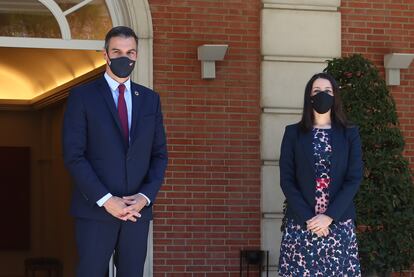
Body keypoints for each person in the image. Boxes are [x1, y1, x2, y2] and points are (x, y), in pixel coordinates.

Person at [62, 26, 168, 277]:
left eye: (130, 52)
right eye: (117, 51)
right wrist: (106, 200)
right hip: (95, 211)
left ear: (137, 55)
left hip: (136, 212)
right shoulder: (82, 96)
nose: (125, 58)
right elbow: (74, 155)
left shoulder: (150, 99)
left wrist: (144, 197)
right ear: (105, 55)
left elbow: (159, 154)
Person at [278, 73, 362, 276]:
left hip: (338, 224)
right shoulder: (293, 133)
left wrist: (329, 217)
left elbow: (354, 177)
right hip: (302, 224)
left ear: (335, 96)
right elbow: (287, 180)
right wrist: (311, 219)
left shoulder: (349, 133)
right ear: (309, 97)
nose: (322, 95)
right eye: (316, 91)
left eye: (327, 91)